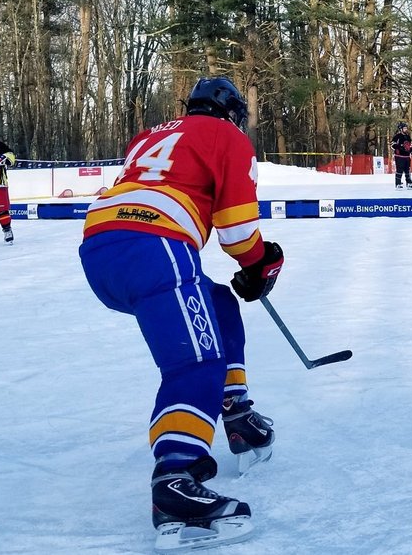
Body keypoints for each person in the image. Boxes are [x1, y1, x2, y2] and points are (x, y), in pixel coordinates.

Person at [78, 77, 284, 550]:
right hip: (155, 246)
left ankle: (233, 409)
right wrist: (262, 262)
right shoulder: (228, 136)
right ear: (232, 112)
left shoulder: (151, 133)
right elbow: (236, 231)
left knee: (217, 305)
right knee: (195, 365)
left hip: (100, 249)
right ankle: (175, 477)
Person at [391, 121, 412, 189]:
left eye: (406, 128)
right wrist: (400, 147)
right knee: (399, 170)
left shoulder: (408, 137)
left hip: (407, 156)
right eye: (404, 128)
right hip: (399, 156)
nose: (406, 129)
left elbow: (410, 146)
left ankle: (409, 183)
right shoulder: (397, 136)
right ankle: (398, 183)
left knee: (407, 170)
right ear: (401, 129)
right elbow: (392, 145)